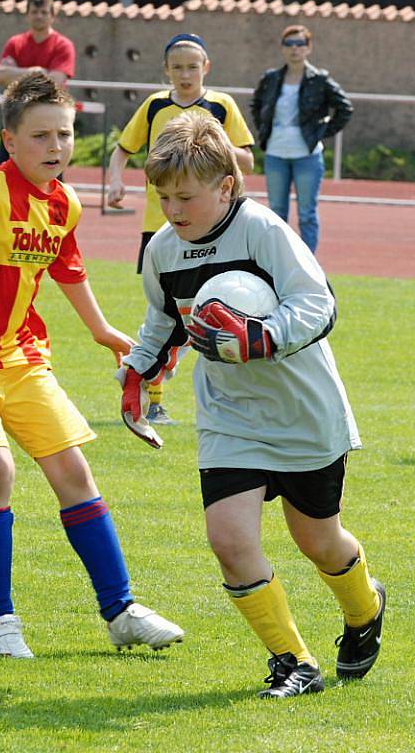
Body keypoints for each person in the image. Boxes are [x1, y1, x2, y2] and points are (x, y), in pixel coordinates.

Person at [0, 72, 183, 659]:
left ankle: (120, 610)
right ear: (9, 141)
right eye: (41, 135)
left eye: (65, 135)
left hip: (23, 359)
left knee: (75, 474)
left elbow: (68, 270)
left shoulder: (65, 203)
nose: (55, 147)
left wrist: (102, 331)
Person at [119, 111, 385, 698]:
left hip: (302, 411)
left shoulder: (263, 231)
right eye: (162, 197)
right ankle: (294, 661)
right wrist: (137, 373)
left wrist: (258, 338)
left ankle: (365, 609)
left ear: (226, 187)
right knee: (229, 538)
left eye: (185, 197)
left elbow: (318, 304)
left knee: (319, 540)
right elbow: (164, 323)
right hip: (229, 415)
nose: (172, 210)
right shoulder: (162, 251)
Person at [107, 32, 255, 425]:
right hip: (160, 226)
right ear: (166, 71)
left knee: (216, 306)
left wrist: (215, 141)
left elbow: (248, 162)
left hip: (212, 226)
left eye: (192, 66)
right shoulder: (155, 105)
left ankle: (233, 393)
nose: (185, 74)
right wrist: (115, 180)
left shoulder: (221, 106)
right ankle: (154, 398)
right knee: (163, 313)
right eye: (177, 67)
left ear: (206, 67)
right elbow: (123, 148)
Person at [250, 24, 353, 254]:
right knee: (276, 212)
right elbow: (256, 106)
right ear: (282, 48)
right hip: (276, 154)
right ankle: (278, 262)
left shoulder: (319, 79)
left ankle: (308, 265)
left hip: (307, 155)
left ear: (308, 47)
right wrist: (265, 130)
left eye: (299, 44)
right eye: (289, 44)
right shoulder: (272, 78)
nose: (294, 49)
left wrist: (322, 132)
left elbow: (345, 108)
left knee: (307, 213)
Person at [0, 0, 75, 164]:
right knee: (6, 168)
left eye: (44, 12)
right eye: (34, 12)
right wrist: (35, 71)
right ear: (27, 15)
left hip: (49, 120)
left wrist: (16, 73)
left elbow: (56, 81)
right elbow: (0, 75)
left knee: (49, 172)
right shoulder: (15, 43)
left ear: (53, 15)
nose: (39, 16)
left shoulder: (63, 45)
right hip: (17, 116)